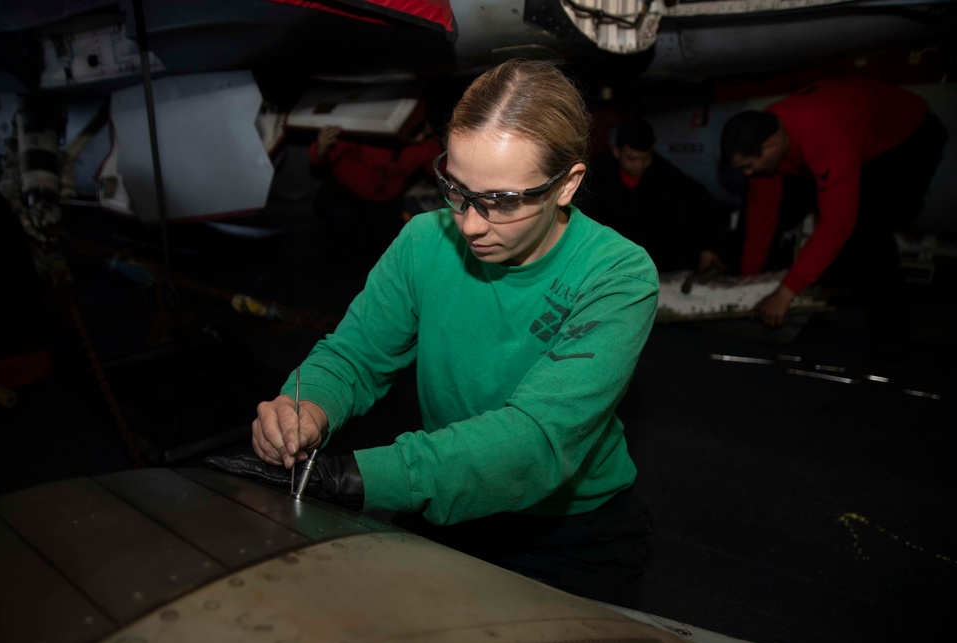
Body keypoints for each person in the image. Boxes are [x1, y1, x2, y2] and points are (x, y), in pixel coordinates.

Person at [207, 59, 659, 607]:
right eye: (456, 187)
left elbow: (537, 440)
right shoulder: (425, 240)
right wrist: (304, 406)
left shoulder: (618, 274)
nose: (469, 222)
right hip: (449, 502)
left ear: (567, 184)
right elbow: (355, 356)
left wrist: (357, 477)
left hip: (574, 532)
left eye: (503, 201)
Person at [720, 78, 948, 358]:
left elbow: (838, 223)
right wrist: (748, 285)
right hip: (845, 133)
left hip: (906, 137)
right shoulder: (764, 134)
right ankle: (787, 284)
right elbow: (761, 218)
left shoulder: (825, 134)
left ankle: (892, 334)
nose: (747, 174)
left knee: (864, 227)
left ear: (770, 146)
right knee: (776, 207)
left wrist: (785, 293)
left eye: (749, 166)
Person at [577, 118, 732, 277]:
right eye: (632, 158)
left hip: (654, 267)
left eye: (645, 157)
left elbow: (700, 202)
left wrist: (707, 248)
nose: (640, 164)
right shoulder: (595, 175)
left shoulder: (663, 173)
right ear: (617, 152)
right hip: (605, 263)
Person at [308, 100, 441, 275]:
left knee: (389, 246)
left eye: (426, 132)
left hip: (386, 200)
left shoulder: (426, 145)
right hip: (347, 191)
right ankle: (336, 268)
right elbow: (319, 158)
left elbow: (444, 168)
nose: (420, 138)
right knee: (341, 229)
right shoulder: (366, 132)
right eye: (415, 131)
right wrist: (321, 148)